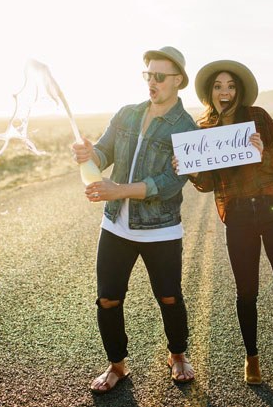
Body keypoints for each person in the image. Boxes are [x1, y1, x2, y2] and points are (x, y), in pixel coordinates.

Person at [71, 46, 198, 394]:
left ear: (177, 81)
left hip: (161, 229)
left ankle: (178, 355)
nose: (151, 83)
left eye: (159, 77)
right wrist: (88, 154)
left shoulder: (187, 128)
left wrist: (120, 190)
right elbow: (103, 152)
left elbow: (171, 184)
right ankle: (117, 365)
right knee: (108, 299)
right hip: (115, 226)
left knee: (169, 297)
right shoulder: (126, 114)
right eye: (148, 75)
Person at [174, 60, 273, 389]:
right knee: (246, 292)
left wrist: (262, 153)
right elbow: (204, 183)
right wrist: (187, 167)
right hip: (238, 214)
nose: (225, 91)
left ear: (238, 90)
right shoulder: (204, 132)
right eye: (218, 86)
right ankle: (252, 357)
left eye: (230, 86)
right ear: (210, 93)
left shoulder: (258, 117)